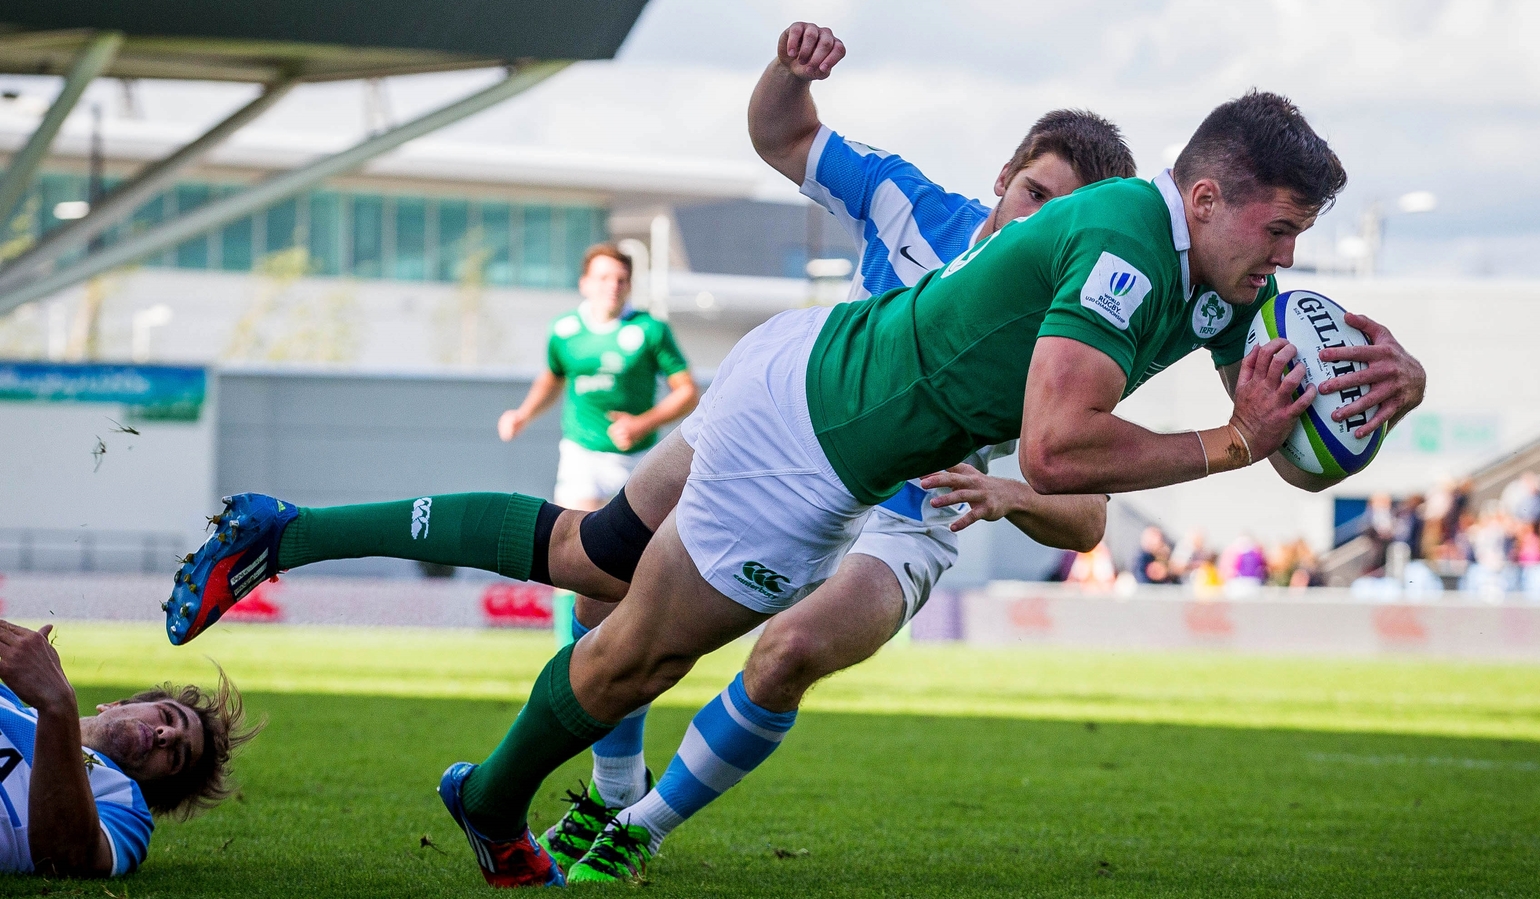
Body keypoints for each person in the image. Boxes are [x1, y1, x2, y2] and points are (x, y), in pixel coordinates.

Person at [164, 89, 1426, 888]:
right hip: (818, 447)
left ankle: (287, 530)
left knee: (585, 551)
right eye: (1278, 229)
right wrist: (1225, 445)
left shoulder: (1222, 274)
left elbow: (1299, 420)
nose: (1288, 257)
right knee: (627, 662)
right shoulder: (1121, 241)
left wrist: (1386, 387)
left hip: (806, 373)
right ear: (1205, 199)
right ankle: (492, 807)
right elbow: (1056, 455)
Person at [547, 22, 1120, 882]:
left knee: (789, 652)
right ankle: (610, 789)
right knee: (602, 591)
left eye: (1066, 215)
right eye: (1034, 193)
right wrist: (787, 69)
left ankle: (642, 828)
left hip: (907, 517)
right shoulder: (911, 204)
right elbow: (783, 133)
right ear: (1002, 181)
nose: (1040, 223)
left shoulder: (1081, 330)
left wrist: (1011, 496)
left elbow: (1088, 518)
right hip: (787, 452)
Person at [496, 242, 699, 640]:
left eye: (622, 279)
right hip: (581, 453)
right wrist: (522, 413)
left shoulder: (648, 329)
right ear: (585, 283)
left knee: (632, 566)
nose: (614, 286)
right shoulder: (564, 331)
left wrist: (642, 423)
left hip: (638, 462)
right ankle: (566, 655)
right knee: (570, 554)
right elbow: (552, 378)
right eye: (605, 277)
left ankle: (618, 649)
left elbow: (687, 392)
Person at [0, 619, 258, 878]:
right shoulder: (8, 701)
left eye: (176, 756)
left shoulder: (124, 808)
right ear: (114, 704)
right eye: (167, 716)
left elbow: (69, 859)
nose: (166, 735)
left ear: (159, 786)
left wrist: (58, 704)